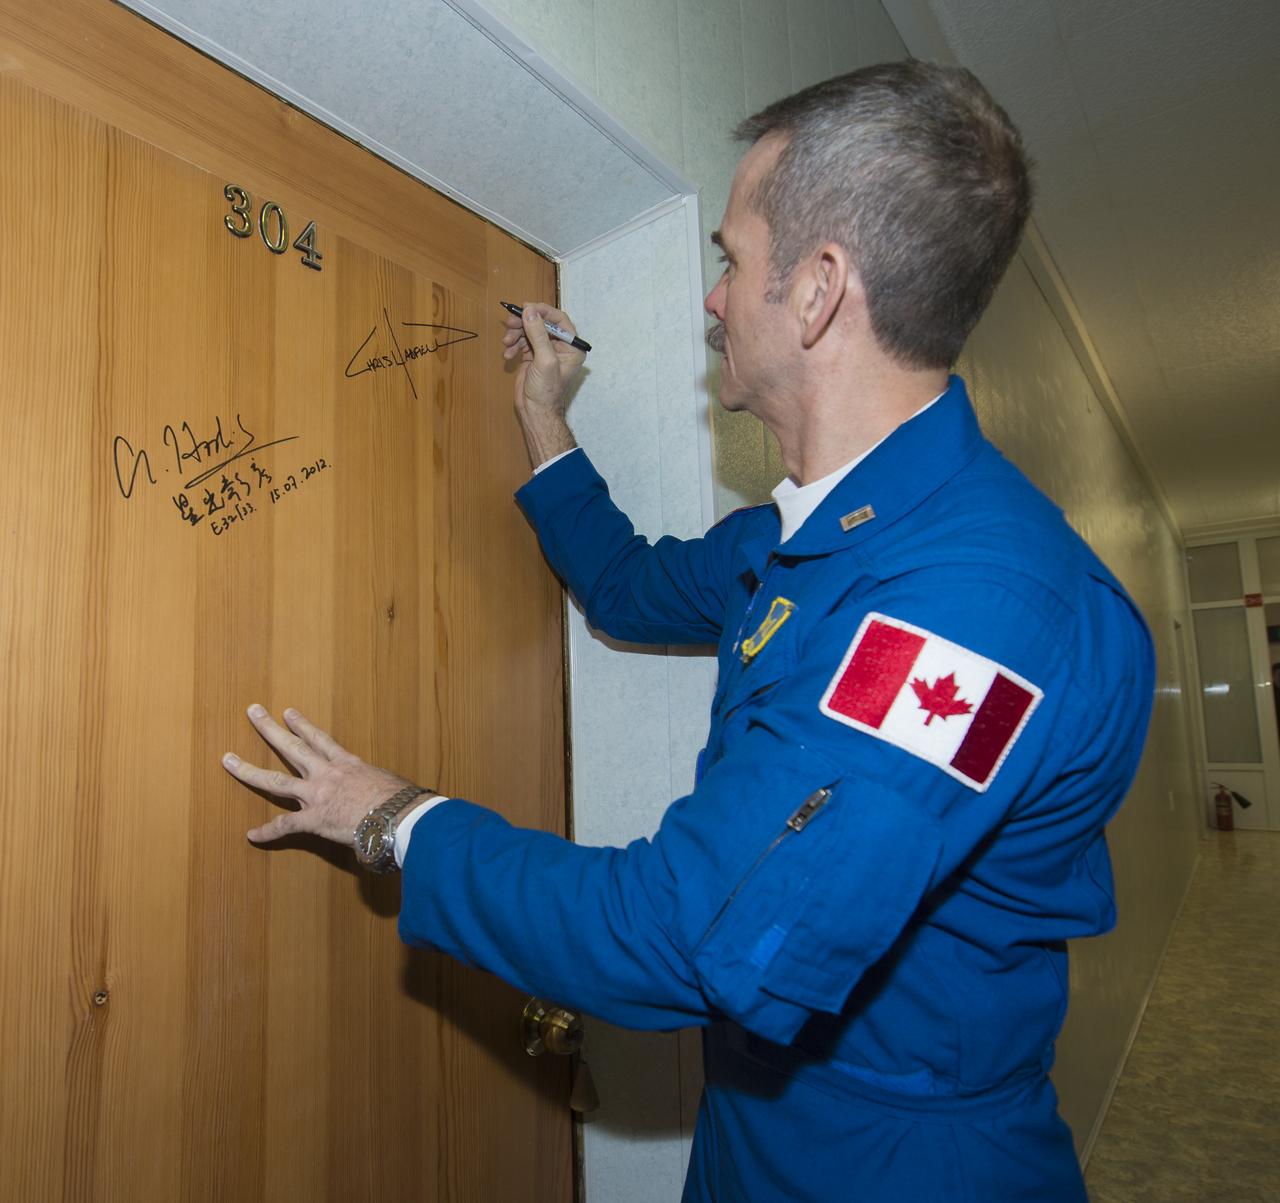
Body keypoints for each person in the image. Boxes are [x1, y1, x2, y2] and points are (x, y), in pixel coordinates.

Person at [223, 62, 1154, 1202]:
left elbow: (687, 935)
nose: (712, 297)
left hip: (894, 1165)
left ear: (815, 292)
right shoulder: (806, 536)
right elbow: (622, 587)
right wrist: (540, 417)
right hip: (755, 1123)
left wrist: (396, 818)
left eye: (730, 259)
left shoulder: (970, 611)